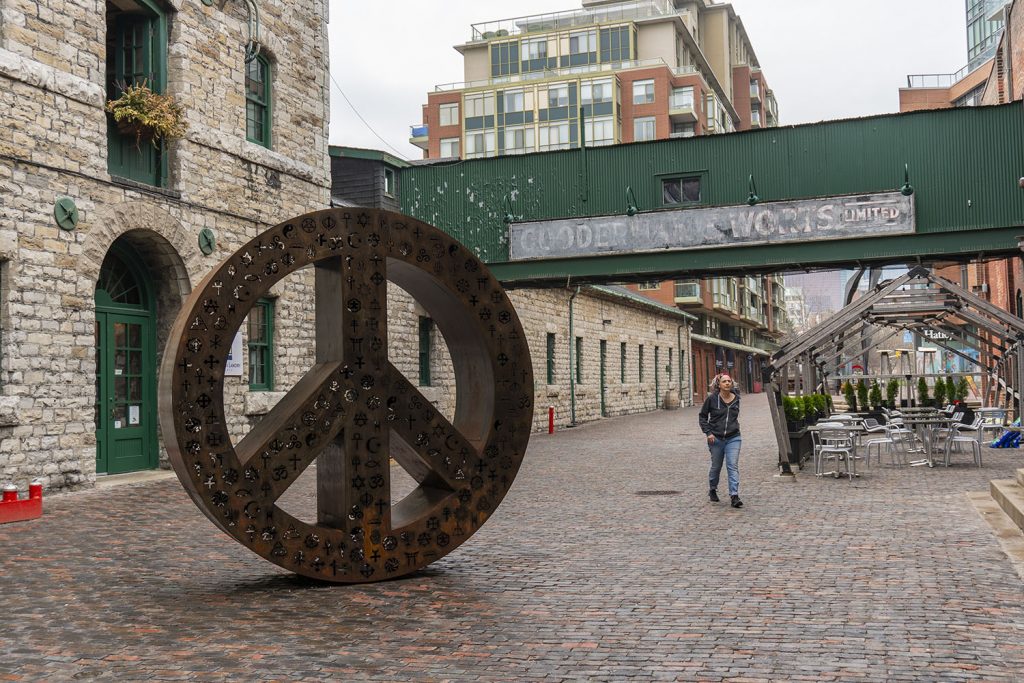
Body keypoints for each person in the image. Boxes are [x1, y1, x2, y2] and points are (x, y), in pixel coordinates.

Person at [698, 373, 743, 508]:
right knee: (716, 467)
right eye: (724, 381)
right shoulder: (712, 399)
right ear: (719, 384)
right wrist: (708, 433)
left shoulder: (736, 399)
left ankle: (734, 496)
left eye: (729, 381)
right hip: (716, 438)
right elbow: (702, 417)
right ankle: (712, 488)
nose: (727, 383)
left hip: (734, 437)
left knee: (732, 465)